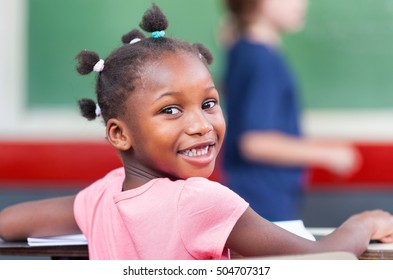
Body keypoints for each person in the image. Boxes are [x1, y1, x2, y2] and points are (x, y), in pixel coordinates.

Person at [0, 4, 392, 260]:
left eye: (208, 103)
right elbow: (324, 262)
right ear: (119, 134)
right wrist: (363, 223)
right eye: (170, 110)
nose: (201, 124)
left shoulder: (103, 195)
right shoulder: (199, 199)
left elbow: (10, 222)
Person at [221, 0, 361, 221]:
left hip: (253, 196)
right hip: (264, 199)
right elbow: (255, 142)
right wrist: (328, 153)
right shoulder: (262, 60)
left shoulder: (242, 48)